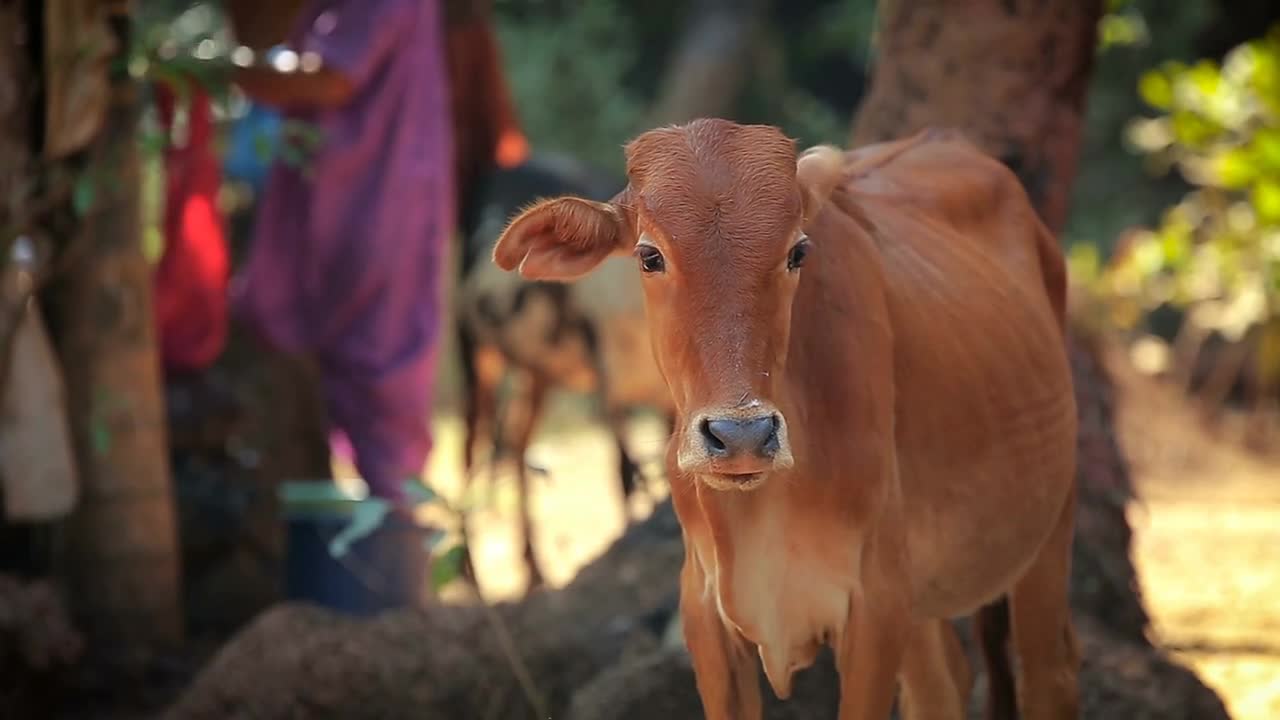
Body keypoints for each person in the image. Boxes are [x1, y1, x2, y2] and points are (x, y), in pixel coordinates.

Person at [225, 0, 454, 508]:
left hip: (379, 197)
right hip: (350, 194)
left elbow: (331, 76)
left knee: (380, 365)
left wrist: (216, 69)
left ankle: (394, 549)